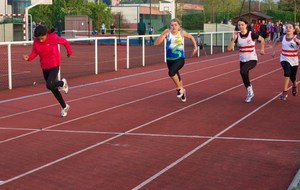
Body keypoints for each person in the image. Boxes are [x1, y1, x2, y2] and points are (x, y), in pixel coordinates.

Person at [23, 25, 72, 117]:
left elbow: (64, 41)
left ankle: (62, 83)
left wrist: (69, 52)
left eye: (42, 38)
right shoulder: (36, 41)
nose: (40, 40)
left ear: (46, 34)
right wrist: (28, 58)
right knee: (52, 88)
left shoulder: (53, 38)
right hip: (44, 67)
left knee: (49, 84)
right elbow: (35, 52)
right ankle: (65, 107)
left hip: (54, 64)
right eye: (38, 39)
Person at [155, 18, 197, 102]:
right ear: (170, 26)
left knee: (171, 73)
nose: (174, 27)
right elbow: (157, 43)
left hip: (180, 58)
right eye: (172, 25)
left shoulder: (181, 33)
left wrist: (195, 47)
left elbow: (191, 37)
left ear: (179, 26)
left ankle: (179, 89)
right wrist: (162, 34)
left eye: (175, 25)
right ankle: (183, 90)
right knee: (176, 75)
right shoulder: (167, 34)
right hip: (169, 59)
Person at [227, 17, 265, 103]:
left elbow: (262, 39)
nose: (240, 26)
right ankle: (250, 92)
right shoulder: (237, 36)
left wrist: (262, 49)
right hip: (242, 59)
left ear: (246, 25)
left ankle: (250, 91)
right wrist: (234, 39)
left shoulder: (251, 34)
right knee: (244, 75)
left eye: (242, 25)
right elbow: (229, 49)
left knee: (243, 71)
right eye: (239, 25)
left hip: (252, 59)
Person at [271, 22, 300, 100]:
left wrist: (298, 41)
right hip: (284, 58)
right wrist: (273, 50)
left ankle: (294, 84)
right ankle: (284, 92)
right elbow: (276, 41)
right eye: (286, 27)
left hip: (294, 60)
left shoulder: (297, 37)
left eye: (290, 27)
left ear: (294, 30)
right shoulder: (282, 37)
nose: (288, 29)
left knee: (293, 76)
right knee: (287, 72)